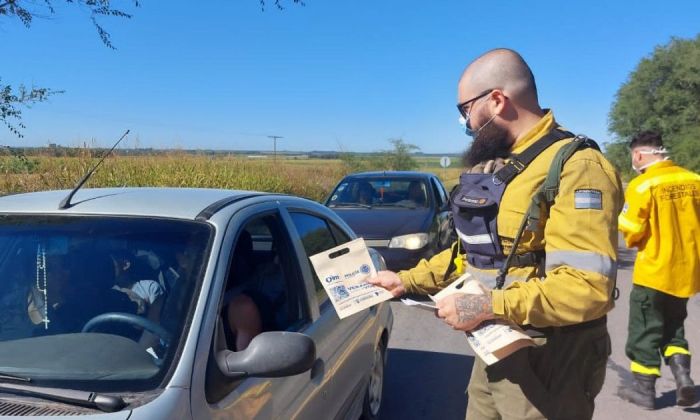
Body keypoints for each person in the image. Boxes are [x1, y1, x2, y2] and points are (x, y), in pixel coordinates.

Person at [369, 48, 623, 420]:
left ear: (497, 100)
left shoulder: (577, 167)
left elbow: (587, 287)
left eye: (465, 109)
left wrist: (487, 306)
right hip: (496, 344)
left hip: (551, 358)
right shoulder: (503, 166)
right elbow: (472, 253)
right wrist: (405, 281)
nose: (466, 123)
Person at [617, 131, 699, 409]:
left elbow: (631, 231)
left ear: (639, 155)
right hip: (686, 273)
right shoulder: (694, 180)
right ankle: (682, 375)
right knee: (674, 329)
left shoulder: (643, 185)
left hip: (653, 274)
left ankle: (644, 390)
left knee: (644, 332)